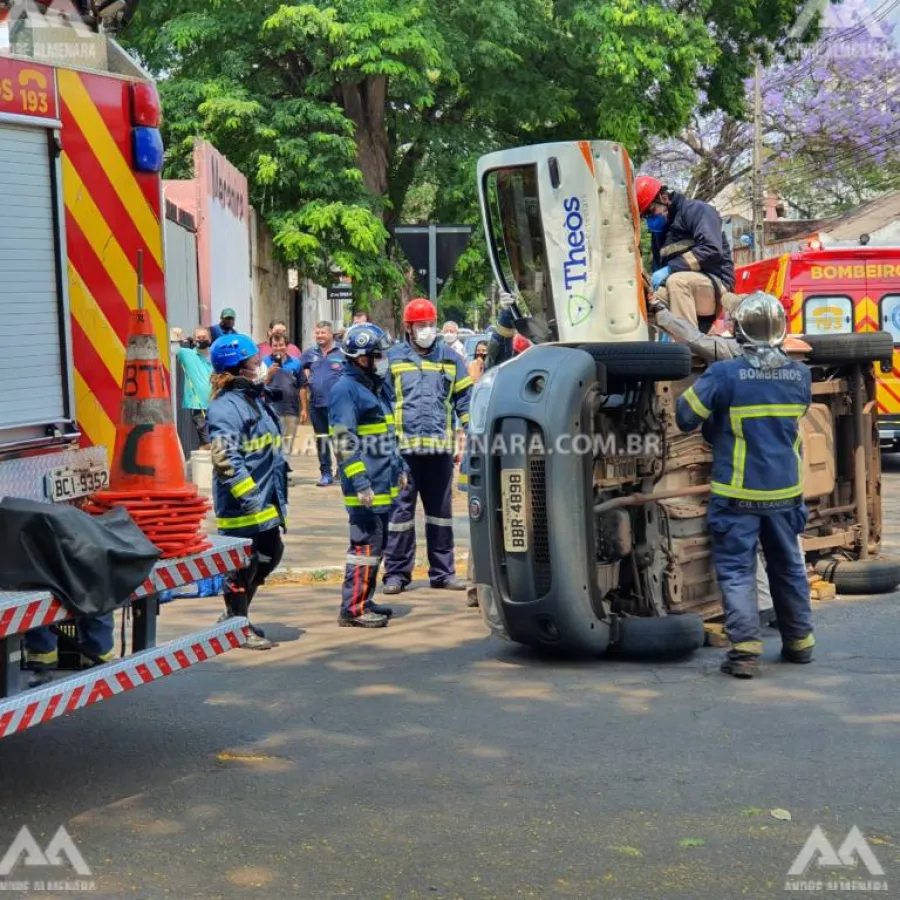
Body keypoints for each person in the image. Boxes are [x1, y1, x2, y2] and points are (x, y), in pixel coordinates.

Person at [675, 292, 814, 679]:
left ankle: (745, 653)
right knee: (788, 567)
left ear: (737, 331)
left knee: (737, 571)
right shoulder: (800, 376)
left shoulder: (725, 375)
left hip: (737, 494)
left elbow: (685, 415)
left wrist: (715, 415)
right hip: (785, 492)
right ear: (781, 330)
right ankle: (800, 643)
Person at [382, 298, 473, 595]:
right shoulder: (392, 358)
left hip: (439, 452)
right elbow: (381, 401)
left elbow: (464, 399)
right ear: (408, 328)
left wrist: (472, 430)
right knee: (400, 517)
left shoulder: (450, 358)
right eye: (421, 325)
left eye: (430, 324)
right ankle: (396, 574)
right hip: (402, 453)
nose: (427, 330)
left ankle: (443, 573)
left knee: (440, 515)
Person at [207, 333, 289, 651]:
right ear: (238, 367)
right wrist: (250, 498)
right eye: (254, 360)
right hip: (242, 503)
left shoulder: (253, 398)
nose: (260, 363)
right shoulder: (226, 408)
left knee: (270, 552)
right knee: (244, 564)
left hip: (265, 498)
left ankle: (233, 617)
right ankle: (237, 626)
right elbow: (225, 459)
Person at [330, 323, 408, 627]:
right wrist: (360, 482)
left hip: (381, 482)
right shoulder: (345, 390)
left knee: (376, 545)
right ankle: (352, 609)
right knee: (364, 547)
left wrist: (399, 467)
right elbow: (343, 439)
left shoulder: (372, 386)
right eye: (376, 355)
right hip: (365, 486)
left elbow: (387, 434)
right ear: (360, 358)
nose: (381, 360)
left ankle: (364, 597)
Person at [635, 175, 735, 331]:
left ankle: (689, 347)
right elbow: (657, 273)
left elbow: (712, 249)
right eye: (645, 217)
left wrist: (670, 269)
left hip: (716, 286)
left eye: (651, 211)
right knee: (643, 300)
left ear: (664, 197)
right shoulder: (659, 233)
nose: (650, 220)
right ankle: (690, 340)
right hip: (684, 291)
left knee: (677, 281)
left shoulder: (697, 211)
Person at [301, 321, 345, 486]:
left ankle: (341, 471)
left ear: (331, 334)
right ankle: (325, 473)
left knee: (340, 439)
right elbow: (300, 373)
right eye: (317, 333)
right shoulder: (309, 354)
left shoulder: (342, 352)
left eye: (323, 333)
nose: (319, 336)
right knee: (322, 440)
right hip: (317, 405)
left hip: (339, 406)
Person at [261, 332, 307, 454]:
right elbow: (259, 384)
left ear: (287, 346)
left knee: (287, 445)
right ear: (271, 346)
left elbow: (302, 386)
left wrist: (304, 409)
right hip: (271, 409)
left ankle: (282, 470)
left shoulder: (296, 362)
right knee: (273, 444)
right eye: (275, 345)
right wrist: (269, 374)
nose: (278, 348)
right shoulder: (264, 362)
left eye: (281, 345)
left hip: (291, 410)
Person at [176, 325, 214, 448]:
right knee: (208, 440)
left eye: (204, 337)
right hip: (199, 407)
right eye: (198, 338)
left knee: (214, 442)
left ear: (210, 339)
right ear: (194, 340)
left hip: (217, 406)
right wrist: (178, 334)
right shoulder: (187, 355)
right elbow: (172, 348)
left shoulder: (216, 356)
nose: (201, 340)